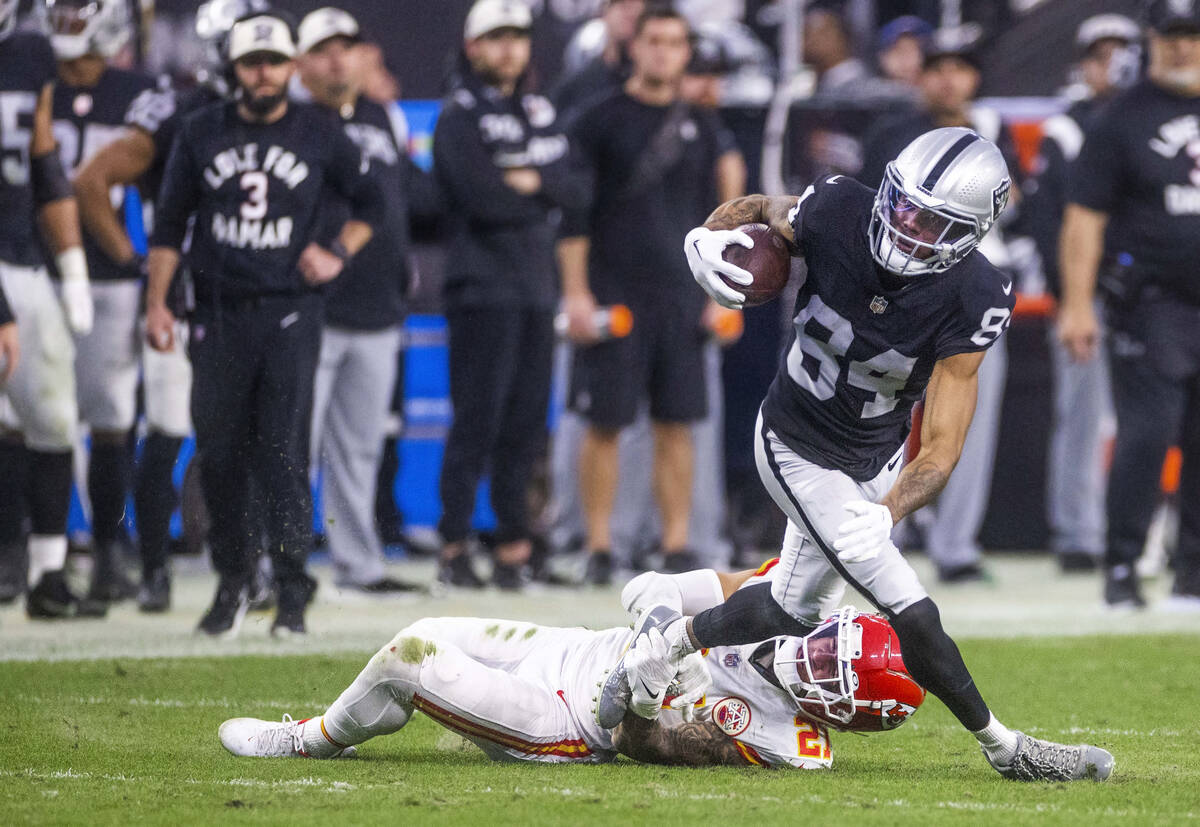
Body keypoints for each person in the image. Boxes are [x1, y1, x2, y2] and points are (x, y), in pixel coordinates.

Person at [609, 126, 1116, 783]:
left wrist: (890, 505)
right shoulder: (839, 206)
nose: (906, 227)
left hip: (874, 458)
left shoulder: (977, 296)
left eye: (930, 222)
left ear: (971, 232)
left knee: (788, 610)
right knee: (908, 603)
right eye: (901, 205)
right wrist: (703, 239)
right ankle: (1004, 745)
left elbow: (941, 447)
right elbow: (763, 208)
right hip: (795, 441)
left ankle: (666, 635)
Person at [144, 11, 385, 637]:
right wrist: (156, 303)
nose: (264, 73)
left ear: (289, 66)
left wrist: (337, 251)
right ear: (235, 68)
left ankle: (292, 591)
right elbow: (169, 226)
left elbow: (374, 202)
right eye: (253, 62)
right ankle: (232, 582)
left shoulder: (321, 131)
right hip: (218, 315)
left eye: (275, 61)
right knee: (219, 456)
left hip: (289, 313)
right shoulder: (199, 132)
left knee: (283, 454)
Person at [217, 562, 923, 768]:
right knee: (421, 627)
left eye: (833, 676)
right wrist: (660, 635)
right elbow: (652, 586)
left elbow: (642, 746)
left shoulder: (787, 741)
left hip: (574, 721)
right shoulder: (784, 591)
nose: (816, 659)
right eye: (833, 646)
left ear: (842, 715)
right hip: (573, 644)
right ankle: (339, 725)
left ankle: (308, 738)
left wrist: (643, 698)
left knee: (412, 660)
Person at [73, 0, 271, 613]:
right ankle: (155, 568)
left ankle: (252, 566)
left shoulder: (284, 115)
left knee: (255, 437)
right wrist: (134, 259)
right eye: (250, 52)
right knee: (166, 430)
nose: (261, 67)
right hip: (184, 301)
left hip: (252, 297)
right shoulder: (179, 110)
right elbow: (92, 178)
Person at [561, 7, 745, 585]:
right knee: (606, 424)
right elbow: (572, 215)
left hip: (682, 297)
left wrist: (722, 293)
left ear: (686, 52)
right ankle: (598, 546)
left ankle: (676, 545)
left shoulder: (704, 123)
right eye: (655, 41)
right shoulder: (597, 119)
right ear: (633, 47)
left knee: (677, 425)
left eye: (675, 43)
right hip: (616, 295)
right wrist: (576, 293)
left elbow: (731, 211)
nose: (665, 52)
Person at [432, 0, 585, 590]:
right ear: (473, 46)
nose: (508, 48)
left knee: (524, 426)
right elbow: (481, 198)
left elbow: (577, 189)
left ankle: (513, 550)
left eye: (517, 36)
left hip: (533, 286)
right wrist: (540, 190)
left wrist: (533, 181)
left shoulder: (542, 110)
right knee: (476, 421)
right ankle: (452, 547)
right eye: (495, 37)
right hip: (480, 287)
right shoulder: (457, 114)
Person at [859, 29, 1021, 583]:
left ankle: (956, 545)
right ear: (920, 75)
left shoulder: (995, 132)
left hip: (972, 288)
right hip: (903, 292)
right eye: (938, 67)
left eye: (961, 67)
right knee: (882, 419)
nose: (950, 79)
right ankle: (879, 536)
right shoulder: (892, 134)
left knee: (963, 423)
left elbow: (1024, 206)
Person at [1058, 0, 1200, 611]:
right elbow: (1083, 220)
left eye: (1193, 34)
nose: (1183, 47)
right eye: (1172, 35)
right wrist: (1077, 305)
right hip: (1151, 303)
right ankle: (1121, 565)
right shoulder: (1120, 118)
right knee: (1146, 436)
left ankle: (1192, 572)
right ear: (1151, 39)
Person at [296, 7, 430, 594]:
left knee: (358, 448)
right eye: (323, 49)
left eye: (346, 47)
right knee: (291, 445)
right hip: (312, 306)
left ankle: (358, 564)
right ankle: (283, 566)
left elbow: (396, 204)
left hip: (376, 308)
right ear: (299, 62)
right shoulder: (291, 120)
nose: (337, 58)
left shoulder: (379, 114)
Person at [43, 0, 157, 606]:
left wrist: (133, 261)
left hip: (108, 277)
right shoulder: (30, 81)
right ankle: (33, 556)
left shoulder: (139, 92)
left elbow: (162, 187)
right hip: (36, 269)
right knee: (31, 416)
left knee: (111, 416)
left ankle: (111, 554)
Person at [1022, 13, 1140, 574]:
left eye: (1122, 53)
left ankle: (1144, 532)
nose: (1112, 65)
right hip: (1090, 291)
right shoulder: (1069, 128)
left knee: (1152, 416)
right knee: (1084, 415)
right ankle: (1078, 533)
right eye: (1101, 54)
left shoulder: (1153, 117)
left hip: (1151, 291)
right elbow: (1048, 219)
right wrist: (1072, 293)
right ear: (1084, 63)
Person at [0, 6, 98, 618]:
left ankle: (47, 574)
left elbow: (42, 160)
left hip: (20, 255)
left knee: (53, 417)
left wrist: (72, 266)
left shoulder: (31, 53)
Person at [551, 0, 644, 123]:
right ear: (605, 11)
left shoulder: (663, 86)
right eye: (624, 6)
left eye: (639, 9)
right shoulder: (577, 84)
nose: (631, 15)